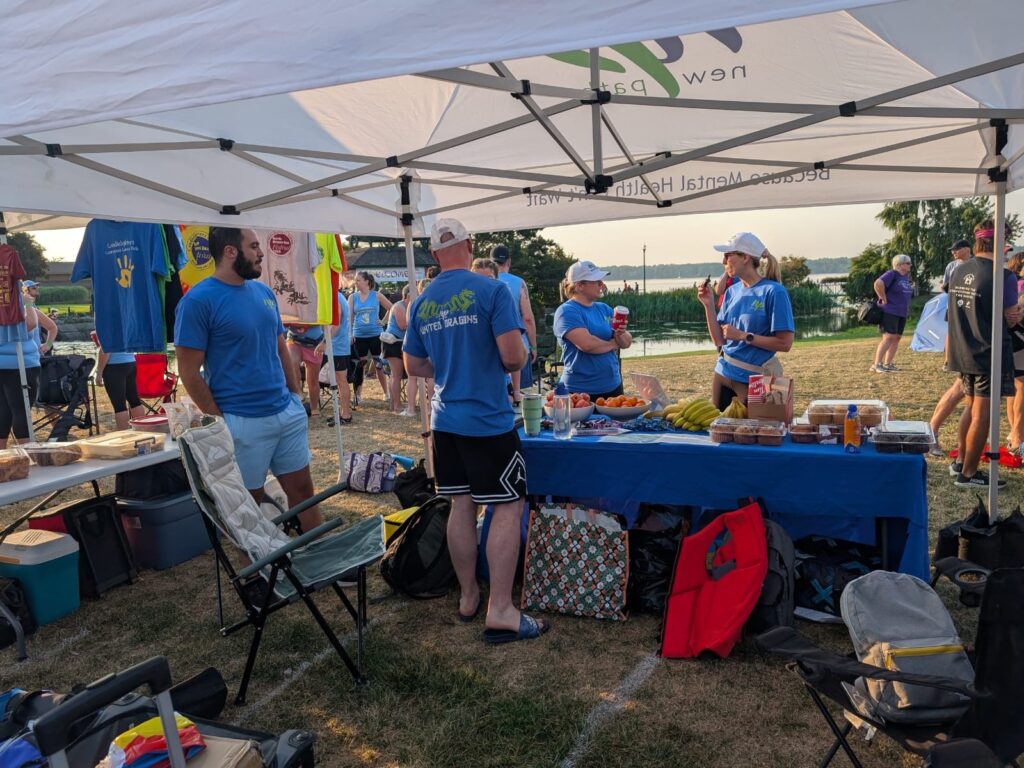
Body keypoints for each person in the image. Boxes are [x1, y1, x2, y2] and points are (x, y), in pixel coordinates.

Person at [403, 217, 544, 645]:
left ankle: (468, 597)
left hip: (445, 421)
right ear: (470, 244)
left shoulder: (422, 301)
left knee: (461, 506)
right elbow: (514, 358)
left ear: (433, 254)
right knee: (507, 506)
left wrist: (448, 367)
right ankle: (500, 609)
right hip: (487, 420)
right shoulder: (492, 290)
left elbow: (413, 366)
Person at [174, 226, 323, 531]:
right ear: (230, 252)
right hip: (241, 421)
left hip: (285, 412)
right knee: (247, 506)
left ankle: (321, 560)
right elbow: (189, 373)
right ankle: (259, 575)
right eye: (254, 246)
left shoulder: (264, 292)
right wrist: (221, 424)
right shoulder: (197, 301)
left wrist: (295, 398)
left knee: (303, 494)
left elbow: (281, 349)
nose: (261, 253)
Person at [946, 220, 1021, 488]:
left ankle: (960, 462)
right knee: (983, 415)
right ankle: (968, 473)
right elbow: (1011, 318)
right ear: (1002, 243)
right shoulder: (1005, 277)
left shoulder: (958, 270)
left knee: (970, 407)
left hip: (962, 348)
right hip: (988, 351)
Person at [698, 233, 794, 410]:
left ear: (745, 257)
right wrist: (709, 305)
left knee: (752, 436)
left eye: (728, 255)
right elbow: (719, 340)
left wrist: (744, 336)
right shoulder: (732, 292)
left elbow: (785, 343)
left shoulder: (774, 292)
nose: (723, 261)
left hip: (755, 380)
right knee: (720, 435)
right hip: (722, 374)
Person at [554, 261, 632, 400]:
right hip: (580, 392)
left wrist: (620, 334)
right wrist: (615, 343)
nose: (601, 284)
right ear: (579, 286)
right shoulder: (566, 311)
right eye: (596, 281)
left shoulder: (604, 308)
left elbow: (627, 342)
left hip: (613, 387)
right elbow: (588, 345)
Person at [0, 284, 56, 448]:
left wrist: (48, 344)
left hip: (12, 365)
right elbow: (31, 324)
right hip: (21, 366)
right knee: (21, 412)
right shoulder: (23, 309)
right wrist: (28, 304)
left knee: (4, 412)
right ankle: (27, 458)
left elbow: (52, 326)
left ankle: (3, 460)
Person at [492, 245, 537, 405]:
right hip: (517, 345)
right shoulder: (518, 283)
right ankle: (516, 394)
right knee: (516, 395)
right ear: (509, 262)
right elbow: (528, 319)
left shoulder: (485, 282)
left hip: (491, 346)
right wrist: (533, 347)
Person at [349, 271, 391, 403]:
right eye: (355, 281)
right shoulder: (353, 297)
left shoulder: (376, 295)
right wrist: (350, 334)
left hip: (375, 335)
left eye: (358, 280)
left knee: (379, 364)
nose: (356, 283)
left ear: (367, 281)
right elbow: (348, 317)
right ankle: (358, 395)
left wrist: (383, 322)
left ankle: (386, 393)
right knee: (360, 365)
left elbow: (392, 307)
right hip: (358, 336)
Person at [870, 254, 914, 373]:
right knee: (888, 337)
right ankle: (877, 364)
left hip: (901, 312)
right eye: (908, 263)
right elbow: (878, 283)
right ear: (899, 265)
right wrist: (883, 298)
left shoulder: (906, 277)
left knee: (897, 338)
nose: (911, 265)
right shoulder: (892, 274)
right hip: (890, 311)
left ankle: (888, 364)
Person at [95, 345, 144, 430]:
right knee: (134, 401)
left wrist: (99, 372)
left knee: (119, 406)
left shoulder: (107, 330)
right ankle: (142, 431)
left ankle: (124, 435)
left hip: (114, 366)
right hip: (131, 362)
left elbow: (105, 349)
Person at [382, 284, 413, 414]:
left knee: (395, 376)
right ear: (408, 295)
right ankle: (397, 405)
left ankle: (394, 404)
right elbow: (403, 326)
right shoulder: (399, 306)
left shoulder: (407, 306)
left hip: (399, 342)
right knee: (396, 375)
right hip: (393, 343)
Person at [325, 286, 353, 424]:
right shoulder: (338, 296)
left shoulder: (335, 297)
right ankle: (342, 413)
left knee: (341, 381)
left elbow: (336, 325)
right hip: (339, 346)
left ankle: (346, 414)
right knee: (340, 380)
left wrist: (325, 342)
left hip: (338, 346)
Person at [1006, 248, 1024, 455]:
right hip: (1019, 339)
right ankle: (1017, 437)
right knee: (1021, 386)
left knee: (1016, 386)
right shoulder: (1018, 285)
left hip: (1013, 339)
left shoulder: (1011, 282)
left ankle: (1014, 433)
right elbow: (1017, 313)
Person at [285, 324, 325, 417]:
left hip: (314, 343)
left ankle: (314, 408)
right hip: (293, 340)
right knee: (291, 365)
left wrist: (306, 326)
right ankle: (298, 396)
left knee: (312, 380)